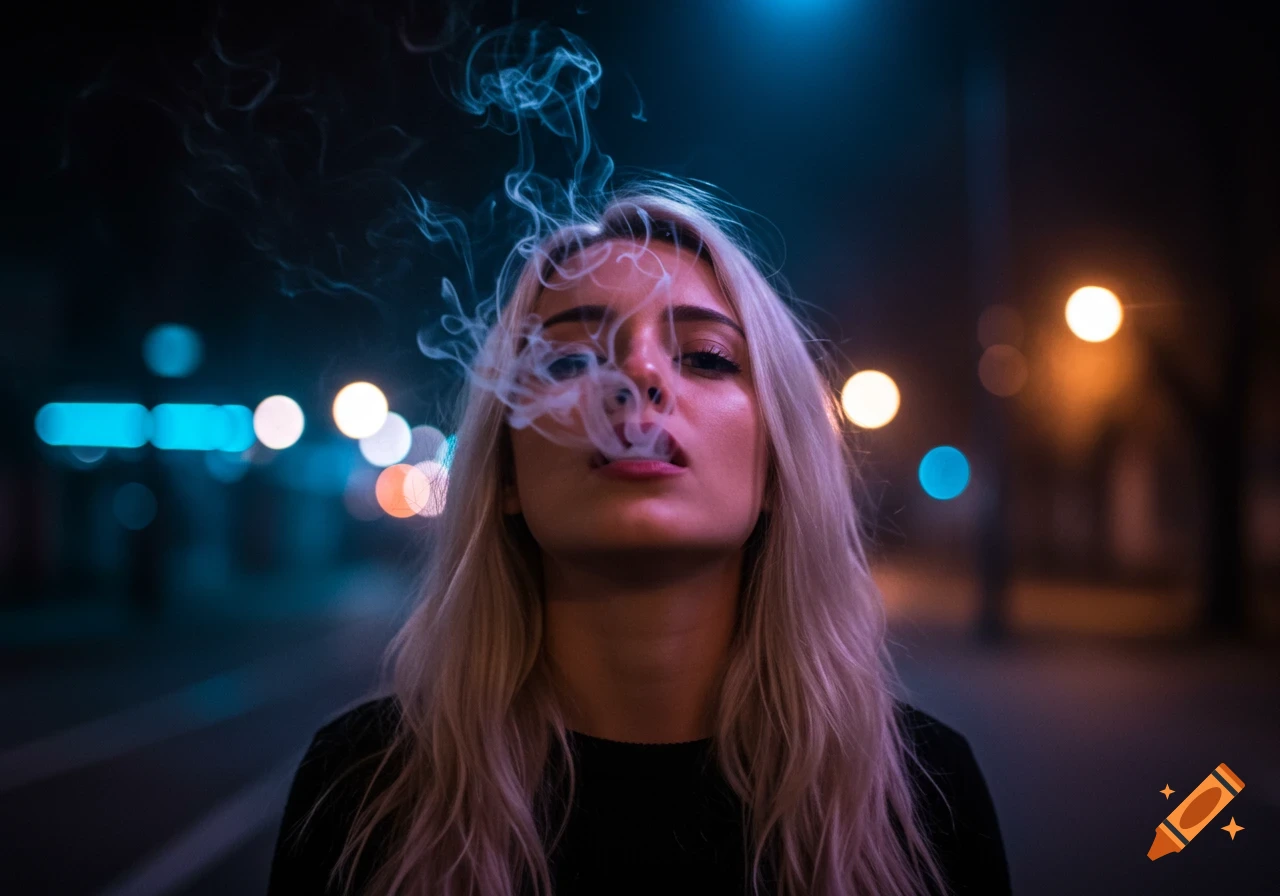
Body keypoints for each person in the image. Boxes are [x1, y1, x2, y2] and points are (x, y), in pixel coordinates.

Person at [267, 183, 1011, 896]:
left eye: (706, 356)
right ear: (506, 473)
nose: (637, 376)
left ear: (777, 466)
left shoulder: (924, 796)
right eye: (570, 359)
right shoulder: (361, 787)